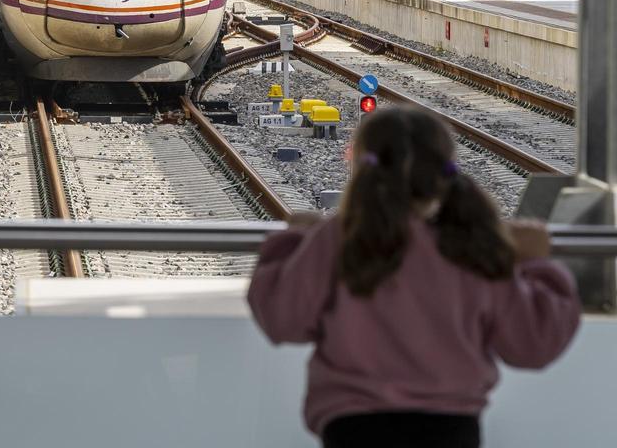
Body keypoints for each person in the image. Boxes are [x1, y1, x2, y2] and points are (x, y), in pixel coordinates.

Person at [247, 105, 580, 448]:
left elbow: (282, 320)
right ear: (444, 172)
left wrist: (292, 242)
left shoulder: (338, 238)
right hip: (451, 430)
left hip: (353, 429)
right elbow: (531, 345)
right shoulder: (472, 245)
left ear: (360, 165)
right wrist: (538, 263)